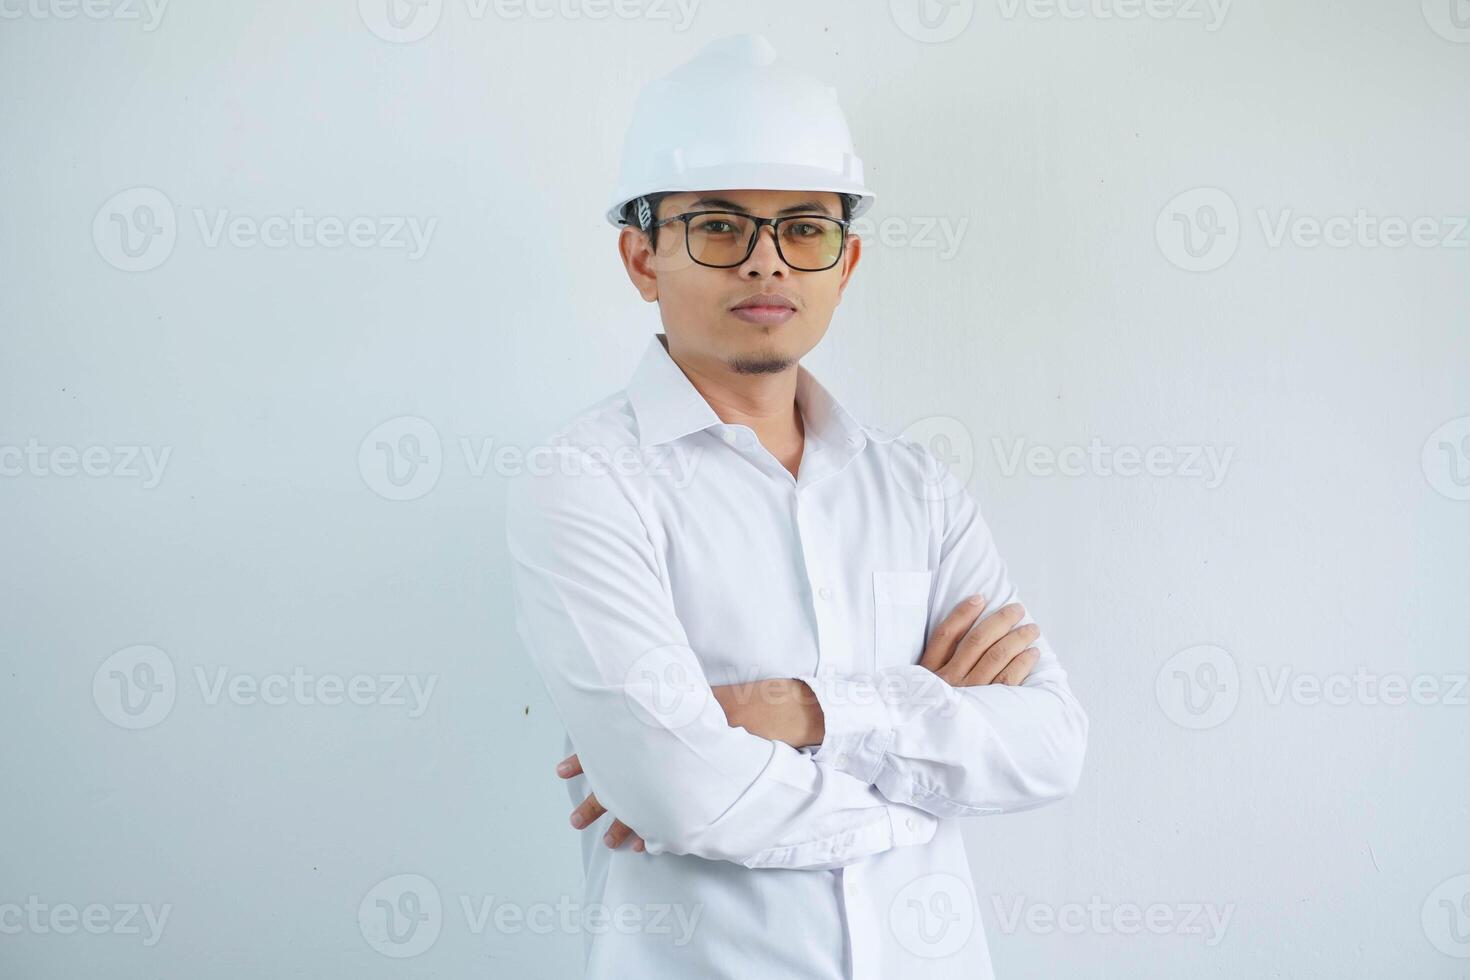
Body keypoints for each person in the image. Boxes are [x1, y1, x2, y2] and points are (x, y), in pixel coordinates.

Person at [505, 32, 1088, 980]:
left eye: (804, 228)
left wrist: (804, 711)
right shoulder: (584, 484)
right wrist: (916, 780)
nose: (767, 264)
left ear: (844, 263)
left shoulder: (918, 490)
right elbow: (680, 791)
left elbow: (1050, 746)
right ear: (642, 258)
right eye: (721, 226)